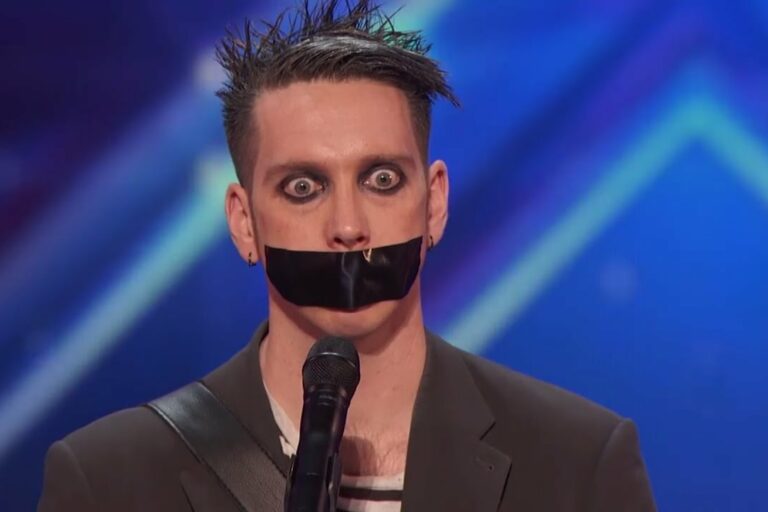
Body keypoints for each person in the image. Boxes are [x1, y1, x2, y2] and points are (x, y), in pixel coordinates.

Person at [38, 1, 656, 511]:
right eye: (303, 187)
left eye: (381, 180)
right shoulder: (110, 481)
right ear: (244, 223)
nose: (348, 227)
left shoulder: (578, 463)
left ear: (434, 203)